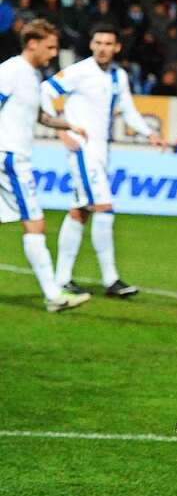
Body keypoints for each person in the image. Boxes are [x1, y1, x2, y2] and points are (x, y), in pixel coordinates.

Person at [42, 25, 167, 297]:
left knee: (80, 211)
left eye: (108, 43)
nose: (102, 47)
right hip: (83, 150)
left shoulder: (118, 76)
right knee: (104, 207)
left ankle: (62, 278)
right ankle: (111, 279)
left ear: (117, 48)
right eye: (97, 42)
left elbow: (129, 110)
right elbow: (45, 92)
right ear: (91, 45)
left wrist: (149, 133)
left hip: (101, 152)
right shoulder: (79, 71)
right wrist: (62, 130)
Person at [0, 19, 90, 312]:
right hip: (10, 156)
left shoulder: (32, 76)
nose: (53, 53)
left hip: (10, 155)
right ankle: (54, 296)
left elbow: (41, 116)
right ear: (32, 43)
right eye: (50, 47)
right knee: (34, 222)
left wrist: (69, 124)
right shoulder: (11, 71)